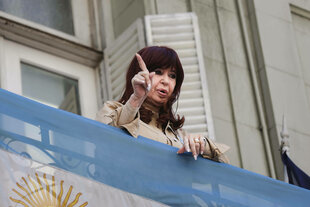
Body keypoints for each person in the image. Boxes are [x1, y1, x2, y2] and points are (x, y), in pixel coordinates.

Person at [96, 46, 229, 163]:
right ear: (139, 74)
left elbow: (224, 165)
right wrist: (136, 99)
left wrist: (202, 143)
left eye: (172, 75)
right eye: (158, 72)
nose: (166, 81)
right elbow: (104, 140)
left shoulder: (178, 135)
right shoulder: (112, 109)